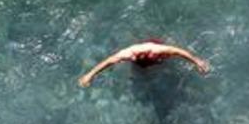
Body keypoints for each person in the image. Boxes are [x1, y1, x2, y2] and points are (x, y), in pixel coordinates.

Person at [78, 40, 210, 87]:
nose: (132, 58)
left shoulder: (156, 49)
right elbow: (108, 62)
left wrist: (196, 61)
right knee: (140, 73)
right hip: (145, 61)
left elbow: (178, 51)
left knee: (163, 63)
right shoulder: (128, 53)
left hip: (155, 54)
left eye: (135, 56)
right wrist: (90, 75)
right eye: (133, 57)